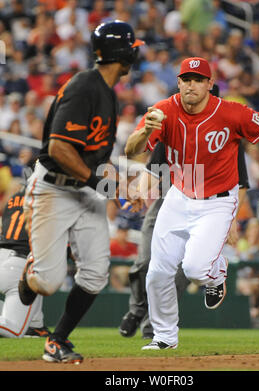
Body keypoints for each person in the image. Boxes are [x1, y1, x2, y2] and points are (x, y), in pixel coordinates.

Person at [125, 56, 259, 350]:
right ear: (178, 82)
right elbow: (131, 151)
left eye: (198, 79)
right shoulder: (164, 111)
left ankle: (217, 271)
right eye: (186, 79)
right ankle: (165, 336)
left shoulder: (230, 113)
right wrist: (144, 132)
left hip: (218, 201)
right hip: (178, 196)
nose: (191, 85)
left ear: (209, 84)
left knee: (193, 269)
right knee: (157, 271)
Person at [18, 20, 144, 363]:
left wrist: (120, 186)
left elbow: (97, 157)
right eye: (132, 47)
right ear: (122, 53)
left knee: (95, 274)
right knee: (47, 281)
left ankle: (57, 340)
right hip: (55, 189)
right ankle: (31, 276)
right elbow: (59, 149)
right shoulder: (85, 86)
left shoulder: (107, 92)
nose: (136, 53)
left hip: (86, 190)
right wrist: (102, 184)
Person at [119, 85, 250, 340]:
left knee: (183, 269)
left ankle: (154, 324)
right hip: (170, 201)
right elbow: (154, 167)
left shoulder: (228, 131)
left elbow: (241, 183)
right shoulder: (176, 125)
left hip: (210, 206)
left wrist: (231, 219)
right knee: (146, 261)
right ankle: (137, 311)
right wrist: (140, 191)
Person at [0, 170, 50, 338]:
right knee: (15, 331)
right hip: (18, 263)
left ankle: (36, 325)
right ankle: (32, 326)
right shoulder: (46, 198)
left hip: (3, 254)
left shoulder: (12, 199)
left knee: (39, 272)